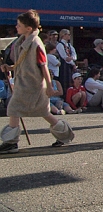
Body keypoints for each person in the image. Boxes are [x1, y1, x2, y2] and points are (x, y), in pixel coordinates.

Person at [0, 10, 75, 154]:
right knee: (43, 111)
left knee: (15, 108)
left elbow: (43, 65)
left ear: (28, 28)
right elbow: (24, 63)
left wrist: (48, 86)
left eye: (19, 25)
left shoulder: (35, 43)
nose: (16, 26)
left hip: (33, 85)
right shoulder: (23, 40)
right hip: (26, 84)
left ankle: (11, 142)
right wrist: (10, 67)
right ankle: (64, 134)